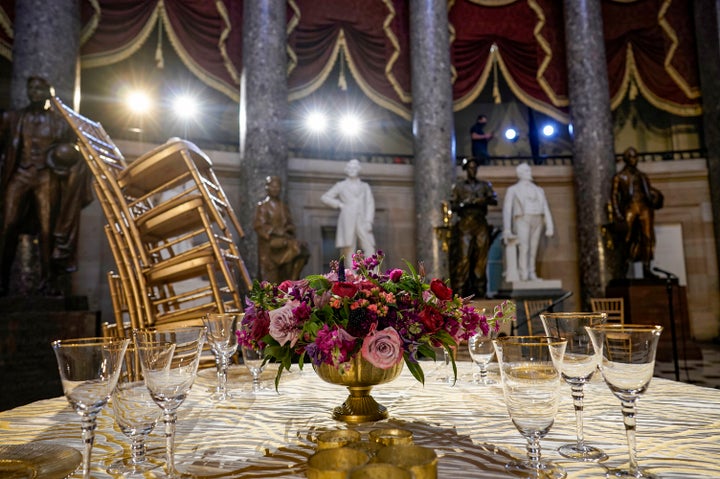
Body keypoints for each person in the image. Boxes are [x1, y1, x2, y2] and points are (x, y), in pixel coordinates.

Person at [0, 76, 92, 295]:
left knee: (47, 228)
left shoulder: (60, 122)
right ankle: (2, 280)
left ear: (49, 93)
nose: (34, 92)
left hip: (45, 176)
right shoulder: (12, 118)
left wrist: (68, 161)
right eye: (31, 88)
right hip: (20, 173)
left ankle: (48, 281)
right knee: (7, 225)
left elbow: (76, 150)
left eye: (40, 89)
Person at [449, 157, 498, 298]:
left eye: (474, 167)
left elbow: (493, 199)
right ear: (465, 169)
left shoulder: (484, 185)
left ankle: (480, 291)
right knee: (464, 258)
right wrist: (465, 203)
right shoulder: (458, 186)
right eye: (470, 167)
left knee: (481, 259)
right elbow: (453, 205)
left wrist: (481, 200)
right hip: (465, 223)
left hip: (480, 222)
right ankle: (460, 291)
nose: (473, 170)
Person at [611, 146, 663, 278]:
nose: (634, 159)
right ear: (626, 159)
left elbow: (649, 190)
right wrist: (617, 213)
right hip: (630, 207)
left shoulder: (643, 176)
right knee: (626, 238)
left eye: (635, 156)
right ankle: (623, 268)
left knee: (647, 237)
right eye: (631, 156)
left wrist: (657, 197)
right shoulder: (620, 177)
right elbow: (614, 196)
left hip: (644, 207)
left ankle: (646, 268)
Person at [502, 162, 554, 282]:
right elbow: (507, 210)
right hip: (522, 218)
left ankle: (532, 272)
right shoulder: (513, 189)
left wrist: (549, 225)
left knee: (534, 247)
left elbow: (545, 207)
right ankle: (523, 274)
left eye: (529, 171)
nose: (529, 173)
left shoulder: (539, 189)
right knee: (524, 247)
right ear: (520, 174)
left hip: (538, 218)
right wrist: (507, 229)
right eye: (526, 171)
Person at [253, 176, 309, 283]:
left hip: (285, 241)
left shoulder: (283, 207)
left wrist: (288, 229)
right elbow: (259, 225)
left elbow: (290, 224)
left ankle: (292, 281)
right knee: (294, 249)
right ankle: (289, 282)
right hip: (271, 245)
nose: (275, 189)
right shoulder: (263, 206)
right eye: (272, 186)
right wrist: (275, 231)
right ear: (267, 187)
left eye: (277, 187)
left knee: (302, 251)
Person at [321, 159, 376, 259]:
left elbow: (369, 204)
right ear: (346, 170)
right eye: (350, 168)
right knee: (348, 248)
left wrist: (369, 221)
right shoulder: (341, 185)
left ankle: (372, 272)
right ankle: (350, 273)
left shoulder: (365, 186)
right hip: (347, 218)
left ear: (358, 169)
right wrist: (339, 204)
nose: (352, 170)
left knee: (369, 246)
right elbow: (325, 197)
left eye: (354, 168)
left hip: (362, 219)